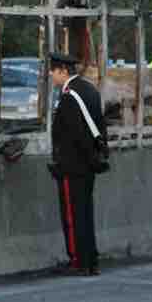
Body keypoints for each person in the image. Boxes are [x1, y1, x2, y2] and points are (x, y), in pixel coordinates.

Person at [48, 52, 106, 276]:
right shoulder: (89, 89)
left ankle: (78, 260)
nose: (52, 76)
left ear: (63, 71)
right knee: (85, 211)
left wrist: (61, 162)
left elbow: (75, 134)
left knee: (73, 215)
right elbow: (99, 125)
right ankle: (90, 259)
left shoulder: (70, 95)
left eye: (53, 72)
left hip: (72, 165)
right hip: (88, 164)